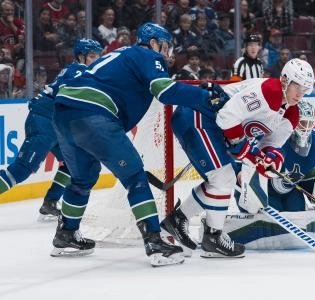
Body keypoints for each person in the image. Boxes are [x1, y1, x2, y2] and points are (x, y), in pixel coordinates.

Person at [51, 22, 216, 266]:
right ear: (153, 43)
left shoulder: (120, 55)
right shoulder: (147, 54)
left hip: (64, 115)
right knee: (135, 178)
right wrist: (205, 97)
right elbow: (163, 89)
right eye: (165, 46)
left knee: (82, 178)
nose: (167, 53)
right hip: (94, 114)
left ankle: (66, 234)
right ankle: (154, 241)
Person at [160, 58, 315, 258]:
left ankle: (178, 222)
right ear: (285, 79)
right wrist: (250, 154)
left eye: (305, 89)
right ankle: (212, 237)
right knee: (223, 178)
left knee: (223, 179)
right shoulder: (270, 90)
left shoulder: (292, 114)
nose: (300, 94)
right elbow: (227, 118)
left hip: (213, 127)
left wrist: (270, 160)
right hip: (199, 115)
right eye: (297, 86)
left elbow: (271, 145)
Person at [222, 101, 315, 249]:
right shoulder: (274, 133)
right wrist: (244, 177)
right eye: (301, 123)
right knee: (274, 218)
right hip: (263, 191)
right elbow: (243, 159)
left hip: (289, 190)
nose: (305, 128)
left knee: (298, 216)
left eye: (308, 123)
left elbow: (311, 176)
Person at [0, 39, 102, 222]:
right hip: (44, 122)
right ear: (81, 56)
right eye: (93, 56)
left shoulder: (78, 70)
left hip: (55, 124)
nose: (97, 60)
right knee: (21, 170)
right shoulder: (79, 70)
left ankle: (51, 202)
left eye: (98, 56)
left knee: (72, 165)